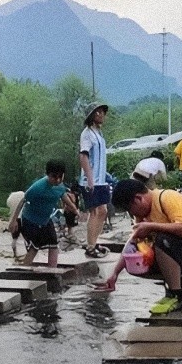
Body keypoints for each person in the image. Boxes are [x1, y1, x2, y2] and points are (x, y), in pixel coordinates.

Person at [93, 178, 182, 315]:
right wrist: (114, 274)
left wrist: (151, 226)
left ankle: (175, 294)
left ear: (138, 199)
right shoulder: (143, 214)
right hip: (181, 252)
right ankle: (181, 286)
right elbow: (133, 243)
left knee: (161, 240)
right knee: (136, 261)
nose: (133, 215)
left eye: (130, 210)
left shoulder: (167, 197)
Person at [9, 160, 79, 268]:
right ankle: (24, 271)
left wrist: (75, 210)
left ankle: (53, 271)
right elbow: (22, 200)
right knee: (34, 248)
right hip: (31, 221)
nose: (58, 180)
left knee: (53, 245)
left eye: (61, 176)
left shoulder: (60, 186)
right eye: (54, 177)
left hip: (46, 220)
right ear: (48, 174)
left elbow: (64, 197)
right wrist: (14, 221)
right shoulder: (37, 187)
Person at [79, 101, 111, 259]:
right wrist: (90, 178)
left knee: (103, 211)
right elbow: (83, 155)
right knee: (96, 211)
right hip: (91, 180)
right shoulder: (87, 134)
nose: (101, 115)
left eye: (102, 112)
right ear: (91, 116)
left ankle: (93, 242)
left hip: (101, 179)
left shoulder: (98, 134)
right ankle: (90, 246)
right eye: (97, 112)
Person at [6, 191, 25, 259]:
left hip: (13, 220)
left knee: (14, 239)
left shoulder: (10, 199)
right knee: (27, 239)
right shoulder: (24, 196)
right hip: (23, 219)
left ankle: (15, 254)